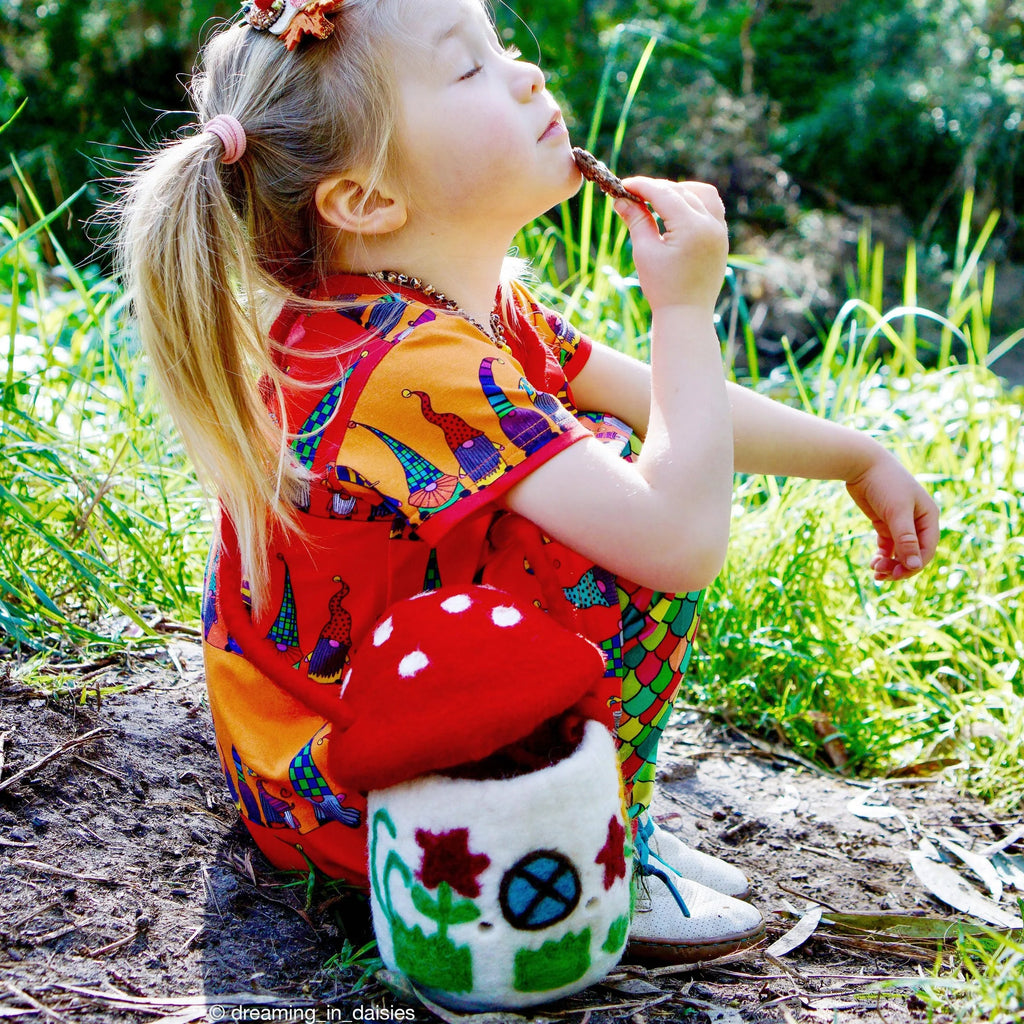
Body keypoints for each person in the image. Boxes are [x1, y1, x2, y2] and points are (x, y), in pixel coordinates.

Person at [115, 0, 939, 965]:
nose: (526, 72)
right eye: (467, 69)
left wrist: (858, 455)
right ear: (369, 199)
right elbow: (675, 541)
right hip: (364, 797)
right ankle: (596, 845)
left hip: (347, 746)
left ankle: (587, 799)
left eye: (499, 45)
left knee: (590, 447)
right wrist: (685, 310)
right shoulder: (401, 364)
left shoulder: (450, 314)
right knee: (590, 534)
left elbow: (654, 403)